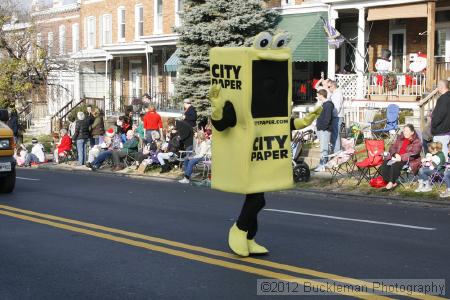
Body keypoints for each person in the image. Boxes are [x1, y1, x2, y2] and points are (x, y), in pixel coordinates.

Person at [379, 124, 422, 190]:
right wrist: (395, 154)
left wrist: (401, 157)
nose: (405, 132)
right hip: (396, 157)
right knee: (384, 163)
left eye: (407, 131)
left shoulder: (417, 141)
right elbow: (392, 147)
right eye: (404, 131)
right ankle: (391, 182)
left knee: (396, 165)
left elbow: (414, 153)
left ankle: (391, 183)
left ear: (412, 132)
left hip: (408, 160)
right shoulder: (400, 138)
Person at [314, 89, 334, 172]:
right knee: (323, 147)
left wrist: (323, 127)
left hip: (325, 129)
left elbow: (327, 118)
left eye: (318, 95)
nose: (317, 96)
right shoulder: (323, 104)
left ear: (321, 95)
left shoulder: (328, 105)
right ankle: (323, 164)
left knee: (324, 148)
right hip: (321, 129)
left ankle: (322, 165)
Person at [431, 80, 450, 155]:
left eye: (438, 86)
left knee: (440, 156)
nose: (437, 88)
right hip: (447, 130)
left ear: (441, 87)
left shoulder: (443, 99)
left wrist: (433, 122)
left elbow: (439, 115)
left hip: (441, 131)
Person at [327, 80, 344, 153]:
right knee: (334, 134)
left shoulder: (337, 94)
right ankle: (335, 151)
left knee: (335, 134)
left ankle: (337, 152)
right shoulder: (334, 93)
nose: (328, 88)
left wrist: (332, 116)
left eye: (329, 87)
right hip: (335, 116)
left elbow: (337, 107)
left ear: (333, 86)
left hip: (337, 116)